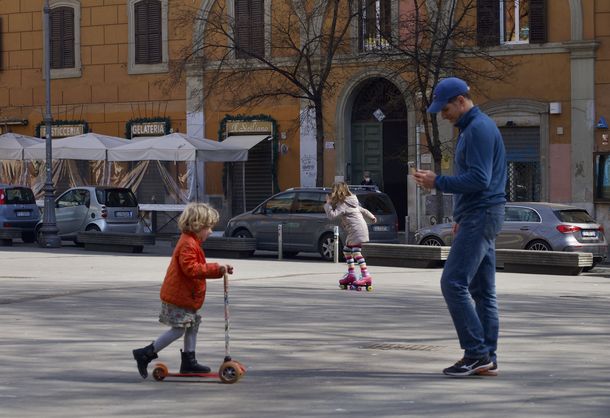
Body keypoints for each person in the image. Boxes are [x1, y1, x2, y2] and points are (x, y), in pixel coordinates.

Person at [413, 77, 506, 377]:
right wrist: (460, 217)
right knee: (483, 291)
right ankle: (487, 356)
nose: (443, 115)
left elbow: (479, 179)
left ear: (461, 101)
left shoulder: (477, 130)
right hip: (480, 214)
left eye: (446, 108)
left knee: (452, 283)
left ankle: (477, 353)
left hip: (481, 214)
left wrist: (436, 181)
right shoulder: (477, 128)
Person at [132, 203, 234, 379]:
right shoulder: (187, 244)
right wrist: (217, 269)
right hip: (178, 297)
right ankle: (145, 353)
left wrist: (219, 269)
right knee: (179, 329)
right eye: (208, 227)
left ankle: (189, 360)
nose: (210, 232)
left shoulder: (192, 242)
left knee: (192, 325)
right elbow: (192, 269)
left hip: (186, 296)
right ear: (196, 225)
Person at [324, 182, 377, 288]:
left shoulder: (343, 204)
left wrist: (328, 204)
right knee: (347, 250)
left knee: (356, 252)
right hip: (357, 229)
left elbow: (332, 216)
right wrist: (372, 217)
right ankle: (351, 274)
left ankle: (366, 275)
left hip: (356, 230)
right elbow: (363, 210)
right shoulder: (352, 201)